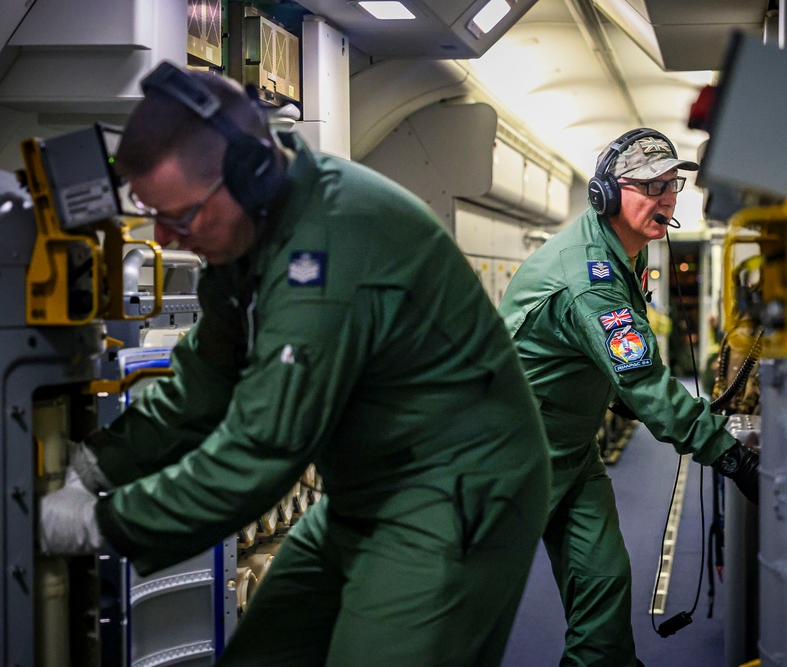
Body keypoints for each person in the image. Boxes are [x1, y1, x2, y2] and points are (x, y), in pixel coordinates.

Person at [38, 61, 551, 666]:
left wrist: (104, 524)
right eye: (152, 215)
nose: (166, 237)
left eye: (180, 217)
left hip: (457, 494)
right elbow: (205, 383)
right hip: (364, 490)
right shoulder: (248, 233)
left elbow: (261, 448)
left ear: (247, 175)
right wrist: (98, 463)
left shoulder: (328, 252)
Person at [497, 127, 759, 666]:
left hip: (571, 452)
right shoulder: (589, 277)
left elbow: (611, 362)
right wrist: (732, 457)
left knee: (605, 582)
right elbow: (640, 379)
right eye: (648, 186)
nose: (664, 198)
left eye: (671, 185)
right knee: (463, 609)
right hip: (509, 458)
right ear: (608, 194)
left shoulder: (627, 254)